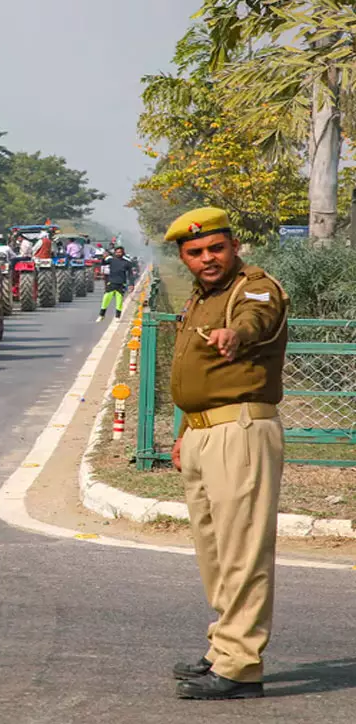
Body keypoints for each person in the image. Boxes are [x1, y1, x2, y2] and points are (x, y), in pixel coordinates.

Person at [164, 207, 288, 701]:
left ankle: (240, 666)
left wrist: (236, 334)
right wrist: (183, 432)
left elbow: (255, 319)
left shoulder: (253, 288)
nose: (207, 258)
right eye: (195, 252)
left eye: (216, 248)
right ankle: (224, 648)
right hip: (201, 434)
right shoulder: (201, 297)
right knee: (214, 551)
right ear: (184, 258)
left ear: (234, 247)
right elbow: (197, 375)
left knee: (243, 549)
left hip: (240, 432)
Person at [96, 245, 132, 322]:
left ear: (123, 253)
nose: (118, 253)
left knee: (119, 301)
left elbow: (130, 274)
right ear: (115, 253)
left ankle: (117, 317)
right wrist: (104, 257)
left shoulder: (127, 263)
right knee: (105, 299)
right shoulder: (111, 260)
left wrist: (131, 284)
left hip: (121, 284)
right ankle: (101, 315)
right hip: (111, 283)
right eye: (117, 252)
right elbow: (103, 263)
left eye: (120, 252)